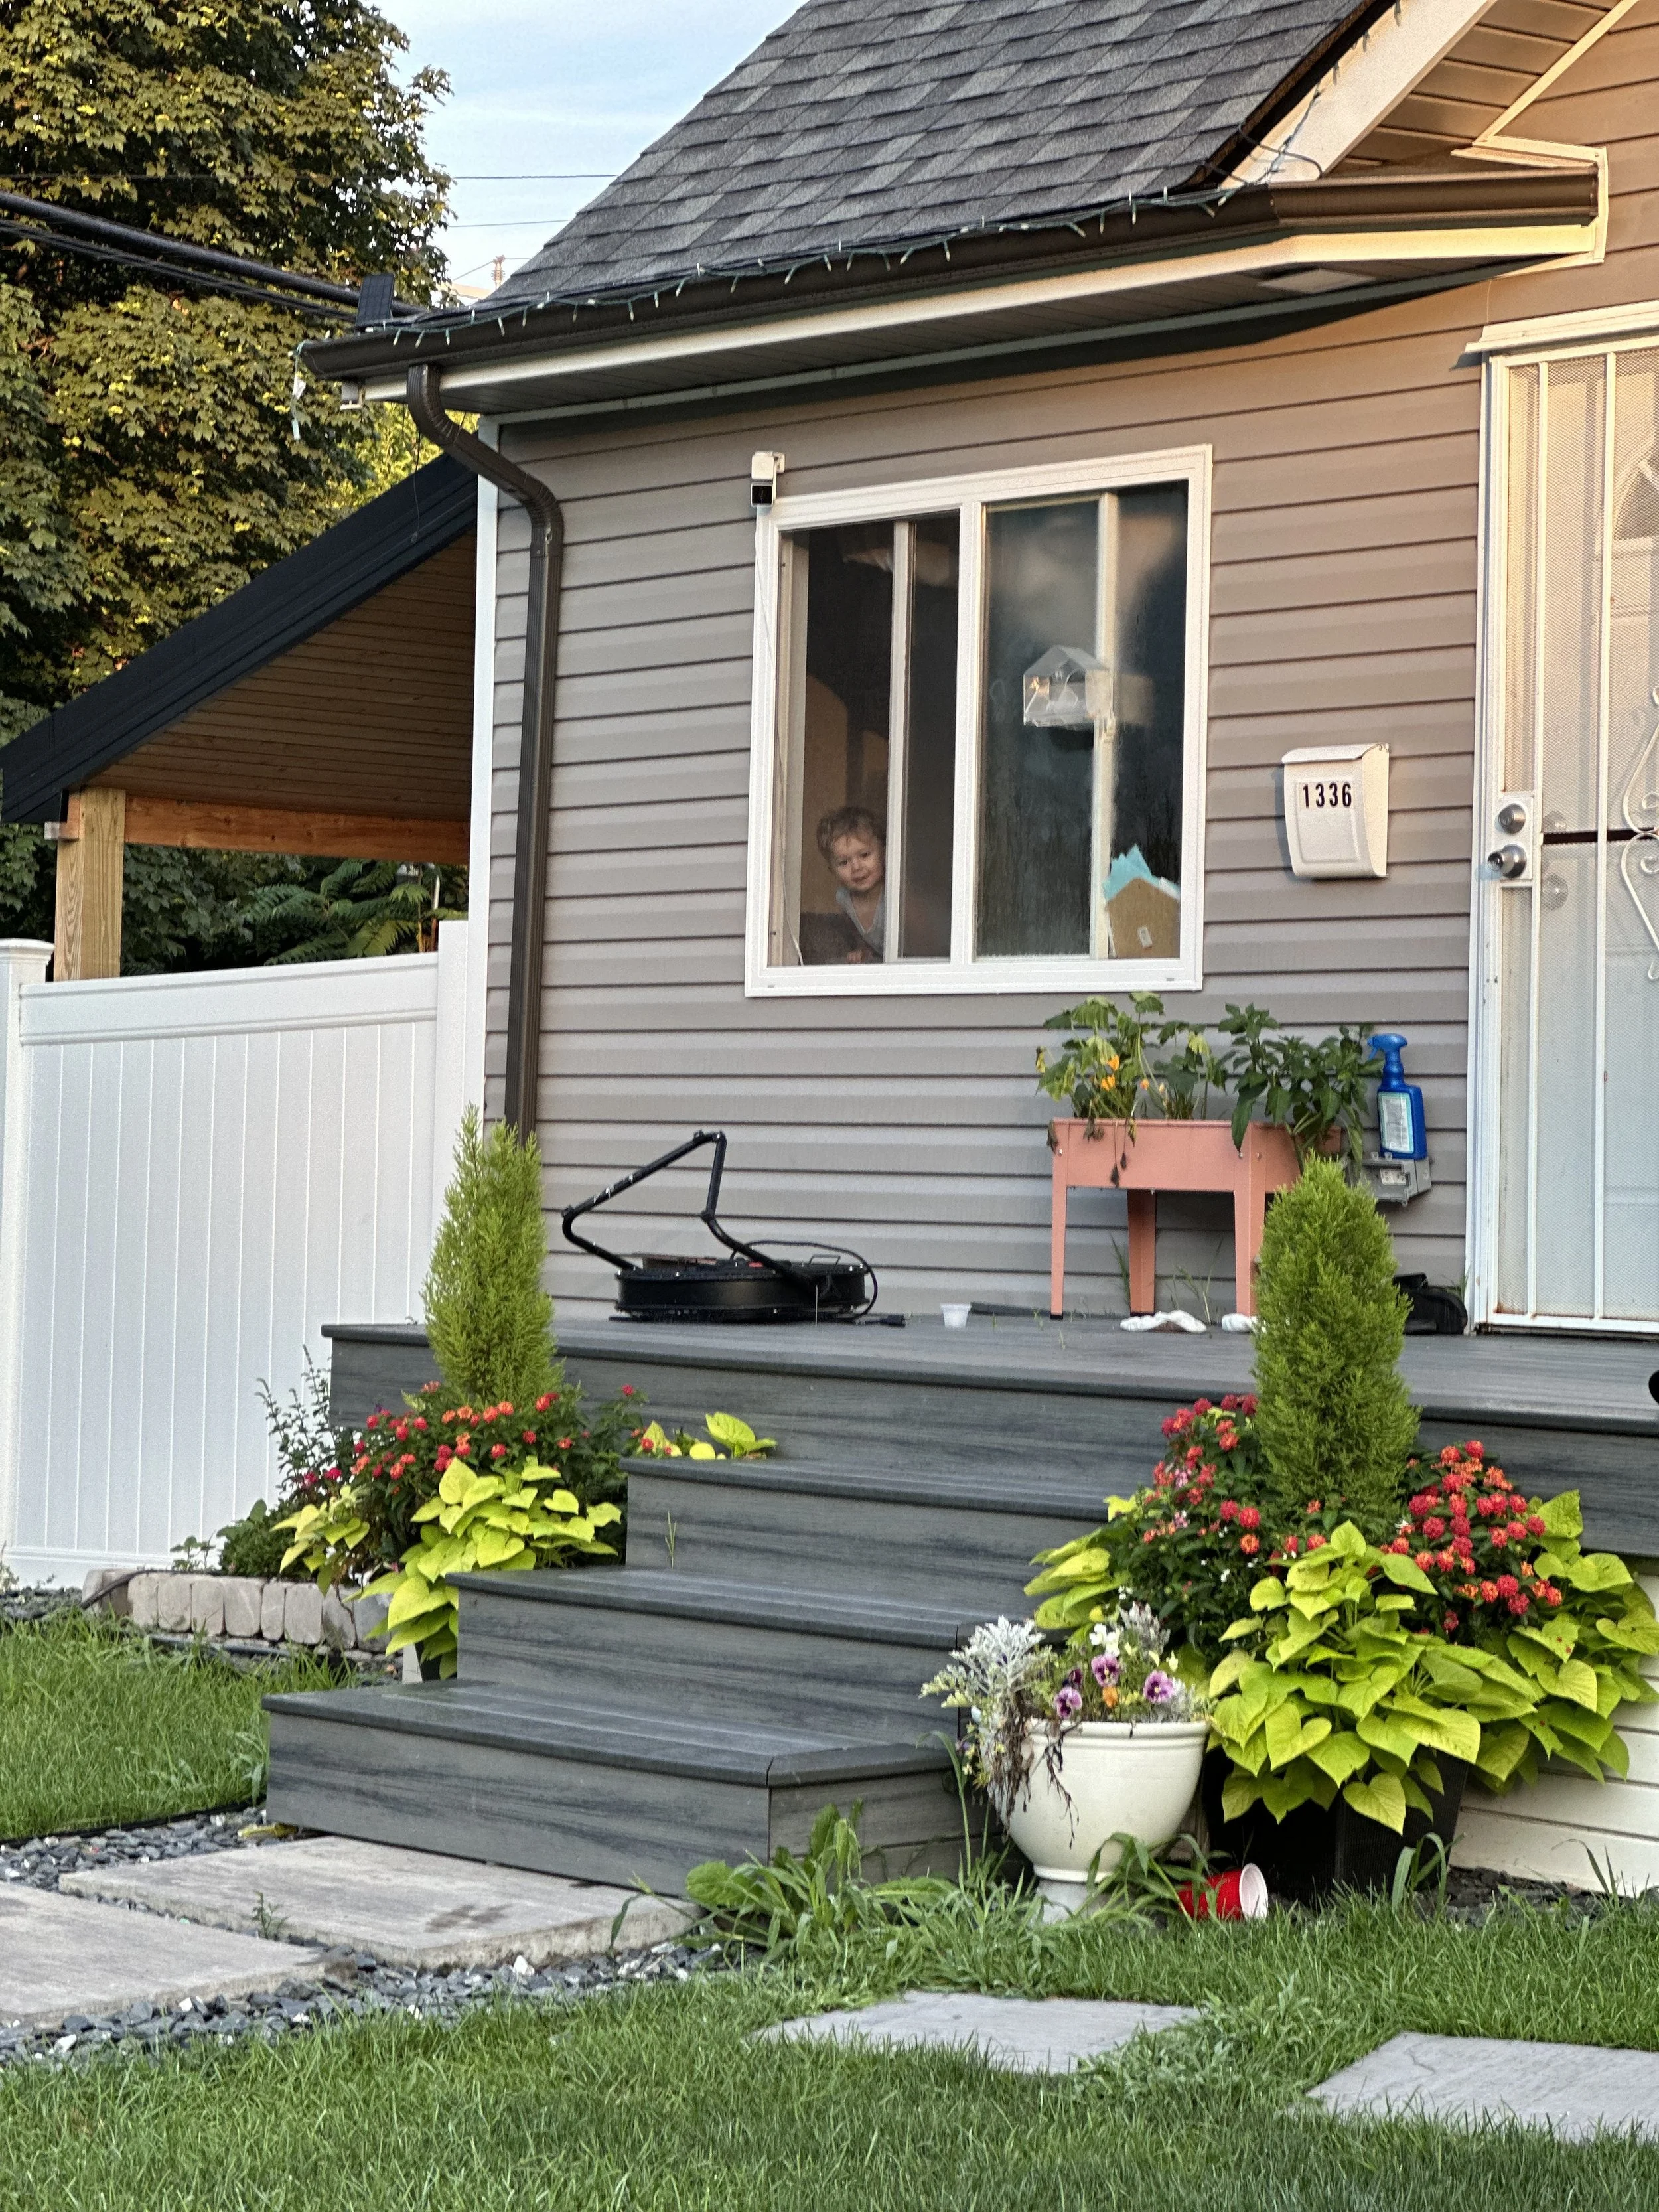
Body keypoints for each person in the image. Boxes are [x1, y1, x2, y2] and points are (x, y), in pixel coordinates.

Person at [816, 805, 886, 961]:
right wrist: (864, 949)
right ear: (832, 870)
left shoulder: (894, 893)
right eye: (844, 863)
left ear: (884, 852)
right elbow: (863, 934)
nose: (856, 867)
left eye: (865, 855)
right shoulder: (844, 898)